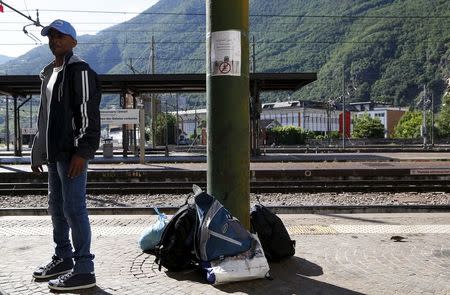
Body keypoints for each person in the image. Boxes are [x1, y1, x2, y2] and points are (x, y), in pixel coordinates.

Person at [30, 19, 101, 291]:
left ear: (73, 41)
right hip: (55, 154)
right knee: (56, 209)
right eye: (51, 36)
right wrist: (38, 151)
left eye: (60, 36)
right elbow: (45, 119)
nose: (54, 40)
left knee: (74, 209)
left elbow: (87, 114)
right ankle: (64, 258)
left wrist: (82, 152)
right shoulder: (50, 72)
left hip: (72, 154)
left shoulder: (79, 70)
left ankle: (85, 269)